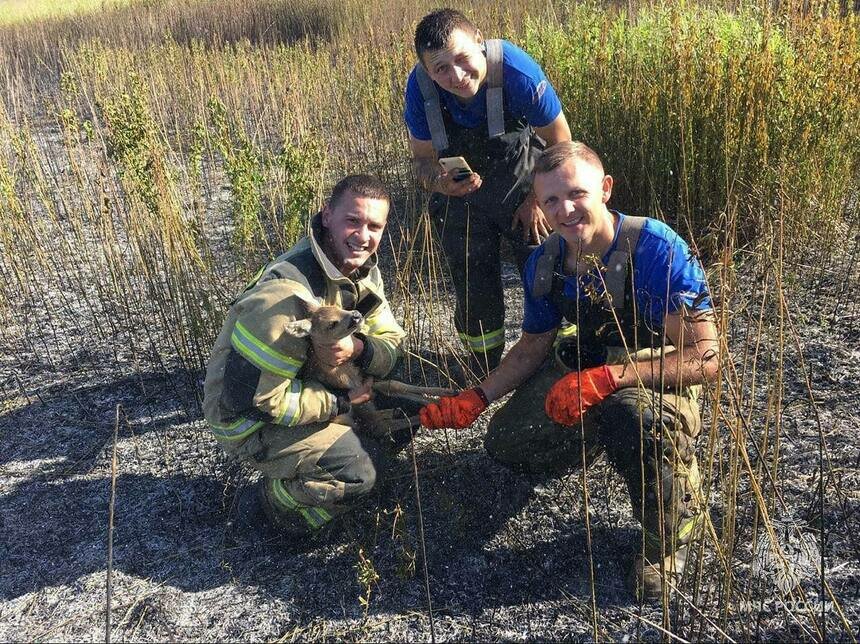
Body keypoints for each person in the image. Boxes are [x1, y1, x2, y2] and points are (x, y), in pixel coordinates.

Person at [419, 142, 720, 599]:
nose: (566, 210)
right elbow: (532, 349)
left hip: (652, 374)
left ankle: (670, 536)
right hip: (588, 366)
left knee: (635, 420)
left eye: (576, 194)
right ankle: (601, 432)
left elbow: (706, 357)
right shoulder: (545, 261)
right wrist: (477, 396)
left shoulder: (656, 249)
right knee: (507, 445)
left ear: (605, 189)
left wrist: (609, 381)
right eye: (551, 201)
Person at [203, 174, 409, 536]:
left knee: (411, 400)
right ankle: (275, 508)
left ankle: (349, 456)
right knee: (359, 474)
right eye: (353, 221)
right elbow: (261, 401)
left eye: (374, 226)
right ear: (327, 215)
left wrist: (359, 348)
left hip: (315, 389)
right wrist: (343, 402)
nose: (363, 236)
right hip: (250, 422)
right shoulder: (284, 299)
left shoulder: (359, 272)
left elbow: (390, 338)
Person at [404, 8, 572, 375]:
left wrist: (537, 200)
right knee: (471, 280)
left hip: (521, 182)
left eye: (462, 59)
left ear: (479, 41)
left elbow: (561, 142)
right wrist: (440, 182)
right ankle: (483, 365)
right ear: (426, 69)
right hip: (462, 197)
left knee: (546, 268)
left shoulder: (516, 71)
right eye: (441, 69)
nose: (457, 76)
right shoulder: (419, 89)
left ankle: (560, 356)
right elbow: (421, 162)